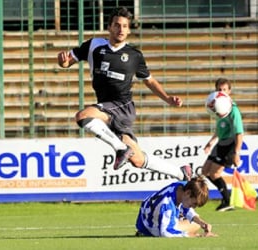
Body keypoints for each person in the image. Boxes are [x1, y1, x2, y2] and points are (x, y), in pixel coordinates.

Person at [57, 6, 192, 180]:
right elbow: (68, 61)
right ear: (109, 27)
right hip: (106, 106)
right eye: (117, 25)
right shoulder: (94, 46)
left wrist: (167, 98)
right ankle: (182, 173)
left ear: (129, 30)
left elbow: (149, 80)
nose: (120, 29)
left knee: (83, 116)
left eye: (124, 26)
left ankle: (120, 149)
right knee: (137, 159)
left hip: (123, 106)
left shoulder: (134, 55)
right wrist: (63, 62)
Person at [202, 78, 244, 212]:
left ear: (229, 91)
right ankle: (227, 199)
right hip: (221, 143)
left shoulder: (233, 110)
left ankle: (227, 200)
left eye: (224, 90)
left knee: (214, 173)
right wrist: (211, 142)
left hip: (230, 144)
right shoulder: (219, 108)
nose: (222, 92)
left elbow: (239, 133)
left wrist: (237, 152)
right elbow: (220, 129)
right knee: (205, 171)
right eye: (219, 90)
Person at [135, 176, 218, 237]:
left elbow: (186, 207)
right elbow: (166, 233)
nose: (194, 207)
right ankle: (145, 233)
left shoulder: (182, 187)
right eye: (194, 204)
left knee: (196, 222)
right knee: (194, 225)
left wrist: (201, 222)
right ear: (188, 193)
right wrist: (197, 235)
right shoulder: (167, 204)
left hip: (145, 217)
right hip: (150, 227)